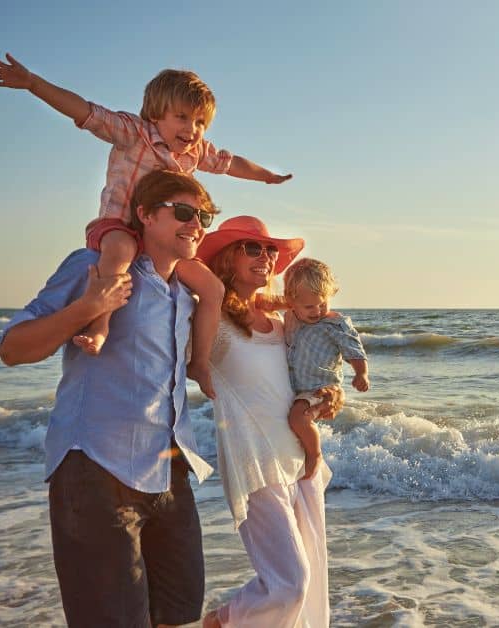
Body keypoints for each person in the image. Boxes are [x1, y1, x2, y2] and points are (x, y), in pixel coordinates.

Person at [0, 53, 293, 399]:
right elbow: (85, 111)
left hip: (160, 246)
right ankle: (100, 324)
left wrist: (265, 175)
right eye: (182, 118)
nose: (192, 130)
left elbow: (231, 162)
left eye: (201, 122)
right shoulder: (135, 133)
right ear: (156, 113)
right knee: (120, 252)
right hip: (118, 227)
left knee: (212, 289)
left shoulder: (195, 152)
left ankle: (200, 362)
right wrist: (33, 83)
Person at [0, 170, 217, 627]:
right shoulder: (93, 266)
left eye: (204, 216)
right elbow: (13, 348)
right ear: (144, 215)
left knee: (177, 614)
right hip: (95, 469)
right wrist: (89, 307)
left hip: (169, 471)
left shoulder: (187, 296)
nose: (196, 224)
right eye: (182, 212)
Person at [196, 216, 343, 627]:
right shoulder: (215, 322)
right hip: (256, 463)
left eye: (270, 250)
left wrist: (326, 399)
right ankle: (221, 621)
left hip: (300, 463)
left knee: (310, 590)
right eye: (252, 247)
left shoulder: (284, 326)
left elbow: (304, 380)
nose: (266, 256)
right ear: (228, 258)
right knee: (289, 584)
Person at [280, 258, 370, 480]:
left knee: (298, 419)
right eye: (309, 306)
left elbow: (354, 350)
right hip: (296, 387)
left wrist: (361, 373)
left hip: (320, 386)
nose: (317, 311)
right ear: (292, 302)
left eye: (323, 303)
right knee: (295, 422)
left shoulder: (334, 324)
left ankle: (315, 454)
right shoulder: (290, 316)